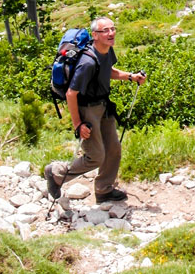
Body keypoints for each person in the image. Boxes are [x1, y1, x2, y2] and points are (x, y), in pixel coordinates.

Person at [45, 17, 146, 204]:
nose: (111, 33)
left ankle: (104, 189)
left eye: (112, 29)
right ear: (95, 35)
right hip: (87, 109)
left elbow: (108, 70)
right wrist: (78, 124)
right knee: (95, 157)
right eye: (105, 30)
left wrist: (131, 77)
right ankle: (57, 174)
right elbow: (71, 94)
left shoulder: (106, 51)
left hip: (103, 105)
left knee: (113, 148)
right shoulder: (87, 63)